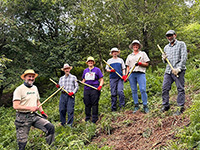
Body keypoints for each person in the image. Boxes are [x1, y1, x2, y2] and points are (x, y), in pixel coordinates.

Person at [13, 69, 55, 150]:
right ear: (24, 77)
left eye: (33, 77)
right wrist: (30, 108)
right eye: (29, 76)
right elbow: (15, 106)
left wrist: (42, 112)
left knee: (50, 127)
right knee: (22, 142)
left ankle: (49, 147)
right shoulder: (19, 89)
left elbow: (38, 101)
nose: (31, 78)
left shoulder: (35, 88)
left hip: (34, 116)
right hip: (22, 118)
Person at [161, 30, 187, 115]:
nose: (169, 37)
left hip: (179, 71)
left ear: (175, 35)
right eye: (168, 36)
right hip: (168, 71)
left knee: (180, 89)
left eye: (171, 35)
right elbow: (165, 62)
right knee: (165, 88)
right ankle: (166, 105)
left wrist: (178, 69)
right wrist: (164, 58)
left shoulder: (181, 44)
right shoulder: (166, 47)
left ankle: (180, 107)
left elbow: (184, 58)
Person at [125, 40, 150, 114]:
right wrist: (126, 75)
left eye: (137, 45)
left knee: (142, 89)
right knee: (134, 90)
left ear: (139, 46)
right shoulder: (129, 56)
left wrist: (140, 63)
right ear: (132, 46)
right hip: (132, 74)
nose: (135, 46)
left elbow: (147, 64)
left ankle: (145, 106)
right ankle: (136, 105)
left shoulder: (142, 53)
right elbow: (128, 66)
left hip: (140, 73)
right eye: (134, 45)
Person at [82, 56, 104, 123]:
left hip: (94, 89)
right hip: (87, 89)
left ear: (93, 62)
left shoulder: (97, 70)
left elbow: (101, 79)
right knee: (87, 104)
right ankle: (88, 118)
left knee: (94, 104)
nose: (90, 62)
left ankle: (95, 118)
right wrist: (80, 82)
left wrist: (100, 86)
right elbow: (83, 80)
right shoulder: (85, 71)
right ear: (87, 63)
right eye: (89, 61)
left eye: (91, 61)